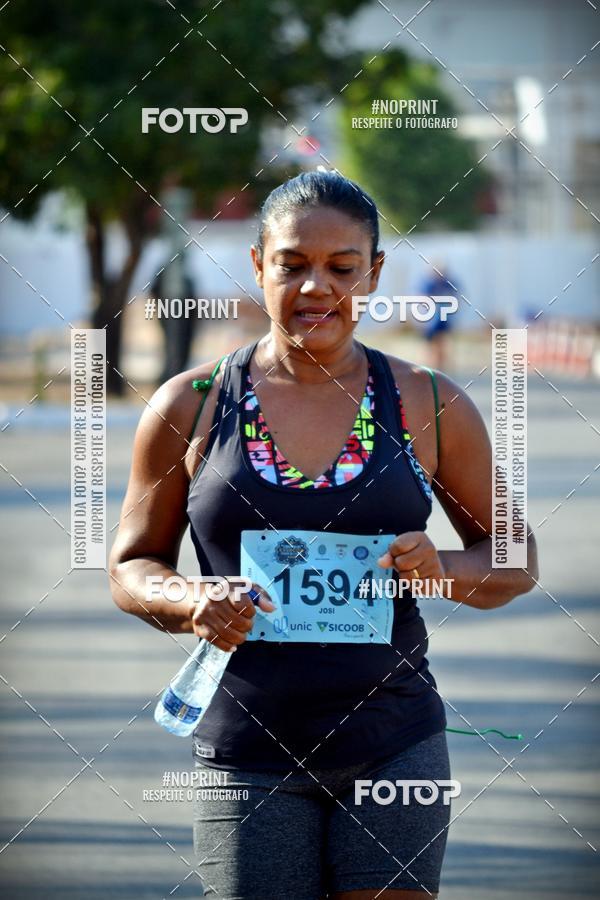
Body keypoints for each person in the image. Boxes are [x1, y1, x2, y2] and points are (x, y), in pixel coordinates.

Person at [109, 171, 538, 899]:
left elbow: (516, 557)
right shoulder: (192, 404)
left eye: (342, 268)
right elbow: (130, 565)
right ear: (258, 266)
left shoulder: (430, 403)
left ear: (374, 273)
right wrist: (189, 598)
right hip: (246, 749)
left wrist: (442, 569)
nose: (316, 288)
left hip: (394, 743)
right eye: (292, 265)